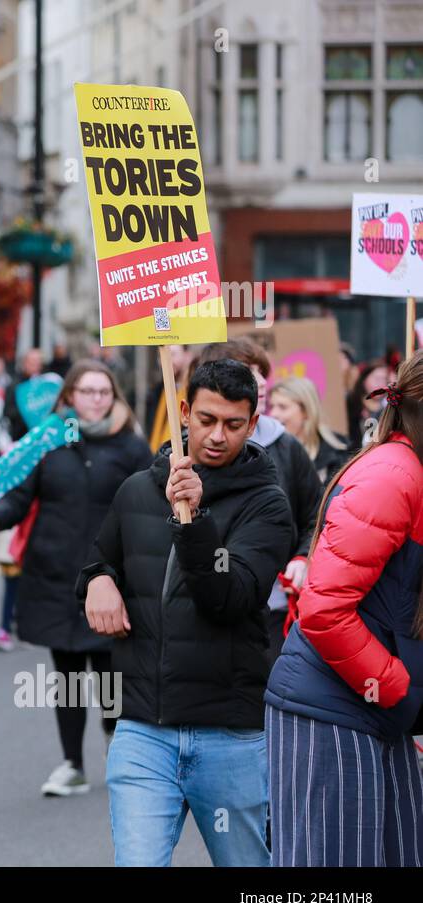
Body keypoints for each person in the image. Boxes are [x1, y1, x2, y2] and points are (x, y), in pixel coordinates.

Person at [79, 359, 294, 867]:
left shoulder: (266, 504)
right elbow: (97, 560)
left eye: (234, 424)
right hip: (142, 730)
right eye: (206, 420)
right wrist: (98, 582)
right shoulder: (136, 491)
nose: (218, 435)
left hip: (228, 735)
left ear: (253, 421)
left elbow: (230, 599)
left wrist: (195, 520)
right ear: (183, 412)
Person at [266, 356, 423, 866]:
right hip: (334, 707)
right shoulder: (392, 476)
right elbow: (325, 609)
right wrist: (396, 687)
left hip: (372, 709)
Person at [0, 360, 150, 796]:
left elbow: (149, 505)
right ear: (70, 397)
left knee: (111, 669)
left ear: (114, 398)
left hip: (113, 576)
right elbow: (20, 496)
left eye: (104, 392)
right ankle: (72, 763)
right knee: (68, 673)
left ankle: (118, 750)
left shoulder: (132, 447)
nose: (96, 400)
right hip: (56, 573)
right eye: (87, 391)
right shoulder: (50, 444)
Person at [198, 339, 322, 658]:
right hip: (203, 607)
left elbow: (316, 516)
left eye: (263, 371)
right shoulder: (189, 451)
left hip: (276, 606)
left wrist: (302, 557)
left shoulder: (286, 445)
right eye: (249, 371)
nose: (263, 381)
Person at [267, 376, 349, 483]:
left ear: (306, 411)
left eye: (282, 407)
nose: (273, 414)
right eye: (271, 407)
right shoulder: (266, 453)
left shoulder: (340, 451)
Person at [3, 348, 62, 441]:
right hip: (22, 436)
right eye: (32, 361)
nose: (35, 364)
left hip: (46, 434)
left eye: (38, 361)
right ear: (24, 363)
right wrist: (27, 412)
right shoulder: (15, 385)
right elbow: (7, 411)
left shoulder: (47, 381)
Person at [145, 343, 191, 453]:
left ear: (187, 356)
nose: (166, 360)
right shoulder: (156, 392)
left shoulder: (193, 392)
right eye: (161, 356)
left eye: (173, 354)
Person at [349, 361, 390, 449]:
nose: (381, 384)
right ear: (364, 379)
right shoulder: (351, 403)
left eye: (384, 379)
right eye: (377, 379)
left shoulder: (388, 408)